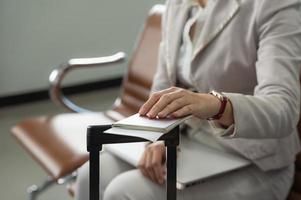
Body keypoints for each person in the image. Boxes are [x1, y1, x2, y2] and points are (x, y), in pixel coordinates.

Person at [75, 0, 301, 199]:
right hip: (188, 141)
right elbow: (163, 85)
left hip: (256, 162)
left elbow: (284, 109)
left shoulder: (273, 4)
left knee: (126, 191)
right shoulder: (178, 3)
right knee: (90, 174)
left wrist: (216, 105)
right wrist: (158, 138)